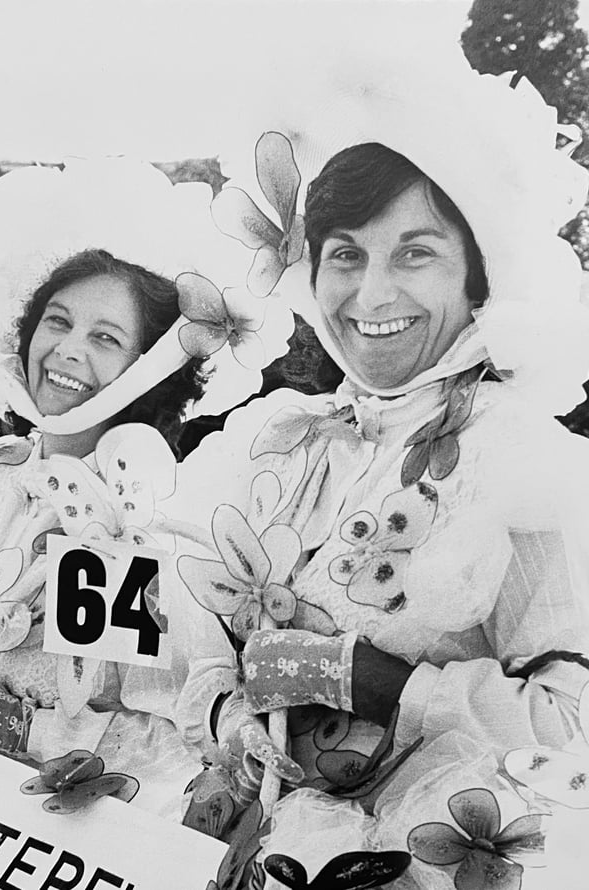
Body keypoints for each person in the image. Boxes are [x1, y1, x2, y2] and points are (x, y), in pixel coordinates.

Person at [173, 48, 589, 888]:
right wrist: (227, 712)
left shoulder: (526, 462)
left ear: (478, 277)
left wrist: (398, 689)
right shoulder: (276, 440)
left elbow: (573, 732)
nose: (370, 295)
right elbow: (190, 621)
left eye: (415, 253)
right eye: (346, 254)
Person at [0, 155, 288, 850]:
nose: (69, 350)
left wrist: (16, 730)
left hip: (13, 843)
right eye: (58, 321)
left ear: (149, 368)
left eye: (106, 337)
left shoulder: (130, 535)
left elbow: (158, 738)